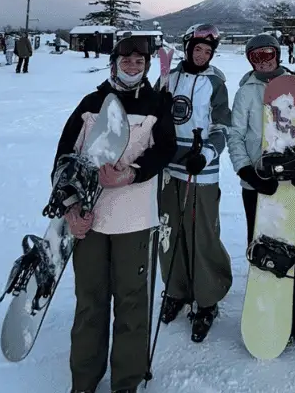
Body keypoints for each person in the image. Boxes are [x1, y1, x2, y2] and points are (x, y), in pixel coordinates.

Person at [52, 35, 177, 393]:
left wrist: (132, 173)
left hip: (136, 220)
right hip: (90, 221)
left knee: (132, 302)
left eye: (140, 62)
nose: (133, 67)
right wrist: (70, 207)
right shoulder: (91, 104)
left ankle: (126, 381)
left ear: (147, 66)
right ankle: (84, 380)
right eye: (127, 61)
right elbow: (65, 157)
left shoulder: (157, 104)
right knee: (90, 302)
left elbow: (165, 150)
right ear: (115, 63)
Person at [226, 33, 295, 342]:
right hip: (257, 182)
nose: (263, 60)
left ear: (278, 54)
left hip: (291, 183)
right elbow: (235, 135)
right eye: (255, 56)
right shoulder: (245, 93)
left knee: (293, 243)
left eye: (268, 54)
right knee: (262, 243)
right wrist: (246, 171)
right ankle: (264, 304)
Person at [155, 24, 233, 342]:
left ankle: (207, 298)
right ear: (187, 49)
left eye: (207, 51)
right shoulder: (169, 78)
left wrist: (209, 152)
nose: (201, 55)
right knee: (168, 233)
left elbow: (222, 123)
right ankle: (176, 291)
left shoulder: (216, 82)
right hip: (168, 168)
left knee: (201, 236)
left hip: (200, 169)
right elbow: (155, 116)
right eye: (196, 50)